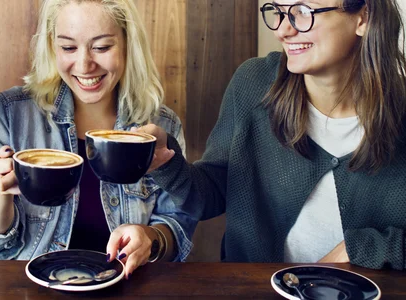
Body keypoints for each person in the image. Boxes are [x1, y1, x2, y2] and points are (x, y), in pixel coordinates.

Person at [140, 0, 406, 270]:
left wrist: (361, 248)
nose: (282, 30)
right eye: (278, 11)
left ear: (363, 17)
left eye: (303, 11)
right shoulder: (252, 84)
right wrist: (166, 164)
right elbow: (211, 194)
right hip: (254, 290)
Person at [0, 0, 197, 277]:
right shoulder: (11, 113)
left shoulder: (161, 125)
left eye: (102, 47)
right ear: (51, 46)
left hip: (127, 288)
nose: (85, 65)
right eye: (68, 47)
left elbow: (177, 225)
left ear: (128, 44)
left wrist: (150, 238)